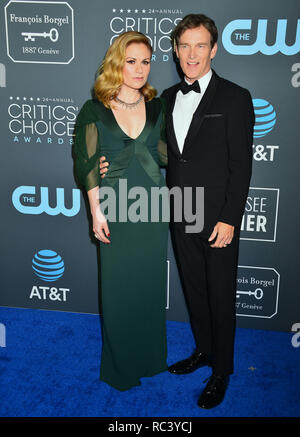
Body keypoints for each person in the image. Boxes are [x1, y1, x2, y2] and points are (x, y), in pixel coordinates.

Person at [100, 14, 254, 407]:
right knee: (195, 290)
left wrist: (230, 218)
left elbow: (241, 165)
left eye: (200, 45)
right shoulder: (164, 98)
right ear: (175, 50)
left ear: (214, 49)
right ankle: (204, 351)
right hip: (180, 209)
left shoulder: (236, 97)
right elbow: (140, 146)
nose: (191, 54)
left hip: (218, 214)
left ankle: (223, 370)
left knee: (220, 295)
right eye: (184, 46)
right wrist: (104, 162)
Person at [74, 31, 169, 391]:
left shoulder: (158, 106)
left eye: (145, 62)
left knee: (148, 286)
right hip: (115, 207)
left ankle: (150, 358)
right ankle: (120, 366)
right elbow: (85, 164)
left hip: (152, 208)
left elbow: (164, 154)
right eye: (131, 61)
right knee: (117, 288)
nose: (140, 69)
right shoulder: (94, 109)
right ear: (117, 63)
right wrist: (96, 212)